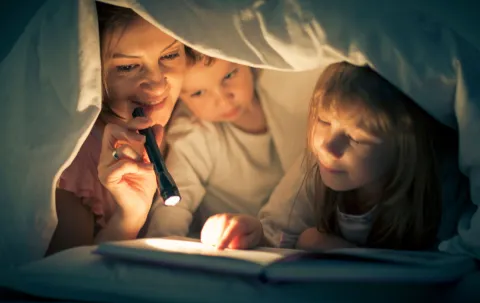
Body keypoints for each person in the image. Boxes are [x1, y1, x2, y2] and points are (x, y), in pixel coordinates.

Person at [201, 61, 458, 251]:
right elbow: (276, 231)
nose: (328, 147)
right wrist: (249, 230)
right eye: (324, 121)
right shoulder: (316, 167)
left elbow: (449, 258)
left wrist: (328, 245)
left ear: (404, 147)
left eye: (357, 137)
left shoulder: (437, 185)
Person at [46, 2, 194, 255]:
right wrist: (129, 218)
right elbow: (68, 279)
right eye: (126, 67)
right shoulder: (71, 164)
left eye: (169, 56)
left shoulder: (194, 109)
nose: (157, 86)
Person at [145, 53, 285, 240]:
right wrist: (163, 245)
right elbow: (176, 200)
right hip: (235, 241)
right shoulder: (195, 132)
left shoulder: (280, 94)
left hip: (290, 231)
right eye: (198, 93)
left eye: (229, 76)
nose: (223, 99)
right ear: (181, 99)